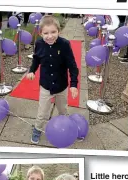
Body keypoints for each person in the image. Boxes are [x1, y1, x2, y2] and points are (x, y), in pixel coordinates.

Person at [26, 15, 79, 144]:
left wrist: (73, 84)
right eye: (46, 33)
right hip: (46, 86)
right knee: (42, 112)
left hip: (61, 86)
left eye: (53, 32)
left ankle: (66, 128)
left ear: (59, 31)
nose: (50, 36)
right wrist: (31, 70)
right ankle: (37, 129)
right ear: (41, 33)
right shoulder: (38, 43)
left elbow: (72, 65)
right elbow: (36, 59)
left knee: (63, 110)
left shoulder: (65, 44)